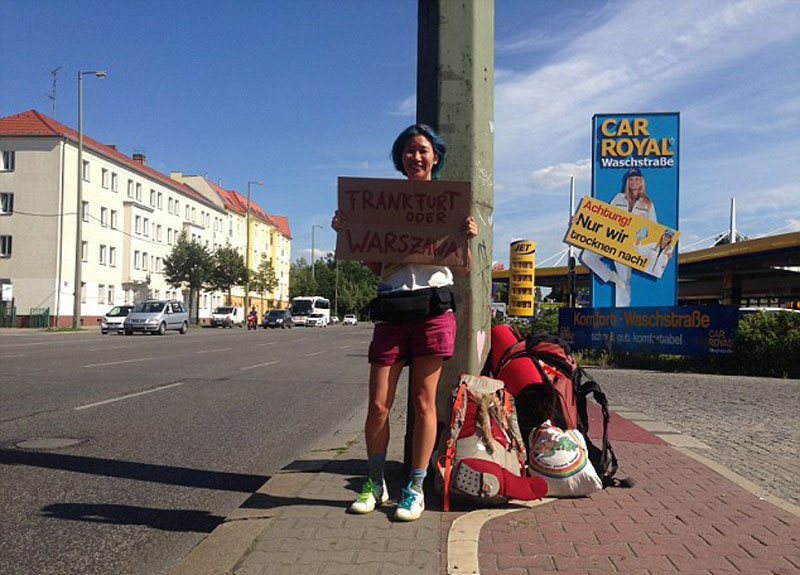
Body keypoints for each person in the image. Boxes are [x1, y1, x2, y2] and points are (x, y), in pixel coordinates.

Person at [331, 123, 477, 521]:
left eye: (423, 150)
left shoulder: (451, 205)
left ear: (436, 158)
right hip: (393, 309)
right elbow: (377, 263)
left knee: (423, 402)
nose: (416, 156)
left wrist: (466, 238)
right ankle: (375, 480)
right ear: (401, 158)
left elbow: (462, 271)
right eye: (409, 150)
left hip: (433, 311)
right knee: (378, 403)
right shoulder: (385, 205)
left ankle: (414, 486)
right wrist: (351, 236)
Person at [579, 167, 657, 306]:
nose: (633, 182)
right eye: (631, 179)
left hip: (630, 246)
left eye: (636, 179)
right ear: (627, 182)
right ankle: (611, 277)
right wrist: (581, 221)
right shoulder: (618, 198)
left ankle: (622, 316)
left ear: (641, 182)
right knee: (587, 256)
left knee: (624, 281)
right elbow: (605, 217)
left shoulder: (648, 203)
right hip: (612, 239)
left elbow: (654, 227)